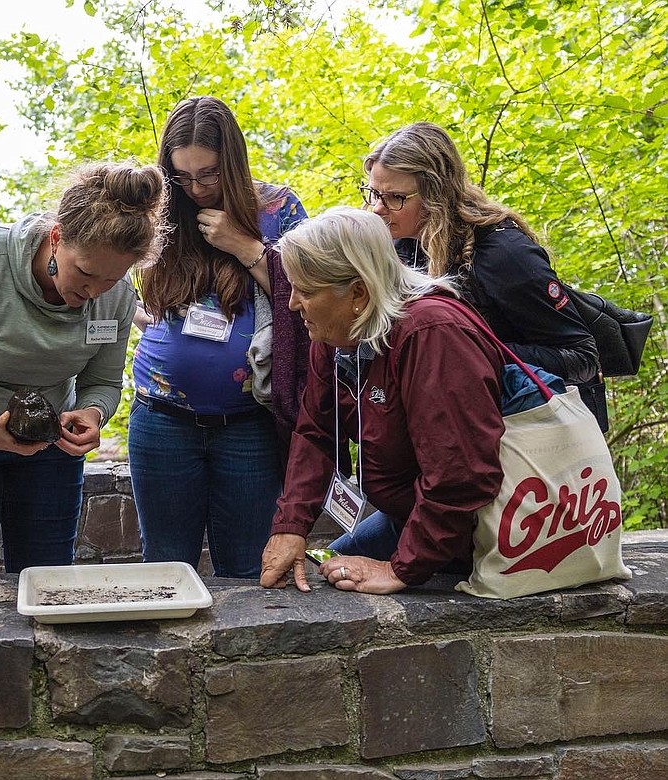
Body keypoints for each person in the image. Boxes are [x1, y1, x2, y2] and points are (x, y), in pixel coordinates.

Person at [0, 162, 169, 576]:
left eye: (111, 279)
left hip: (49, 451)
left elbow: (100, 381)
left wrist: (93, 412)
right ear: (57, 237)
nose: (93, 293)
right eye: (85, 273)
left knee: (48, 583)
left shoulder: (113, 293)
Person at [258, 207, 507, 595]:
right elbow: (317, 430)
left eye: (305, 291)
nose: (292, 304)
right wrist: (290, 526)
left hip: (473, 529)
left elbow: (460, 473)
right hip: (406, 516)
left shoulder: (432, 333)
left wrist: (401, 570)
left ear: (358, 292)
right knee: (314, 575)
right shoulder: (338, 331)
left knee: (336, 584)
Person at [129, 96, 309, 579]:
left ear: (231, 160)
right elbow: (110, 278)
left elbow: (314, 298)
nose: (196, 188)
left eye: (207, 174)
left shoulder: (279, 208)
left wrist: (246, 247)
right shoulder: (162, 210)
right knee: (163, 571)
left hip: (249, 423)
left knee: (250, 572)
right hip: (161, 418)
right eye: (181, 177)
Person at [361, 121, 605, 428]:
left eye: (394, 197)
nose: (377, 209)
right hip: (460, 428)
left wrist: (471, 351)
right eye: (372, 192)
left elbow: (583, 357)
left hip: (530, 435)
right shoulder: (403, 245)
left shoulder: (504, 254)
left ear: (435, 194)